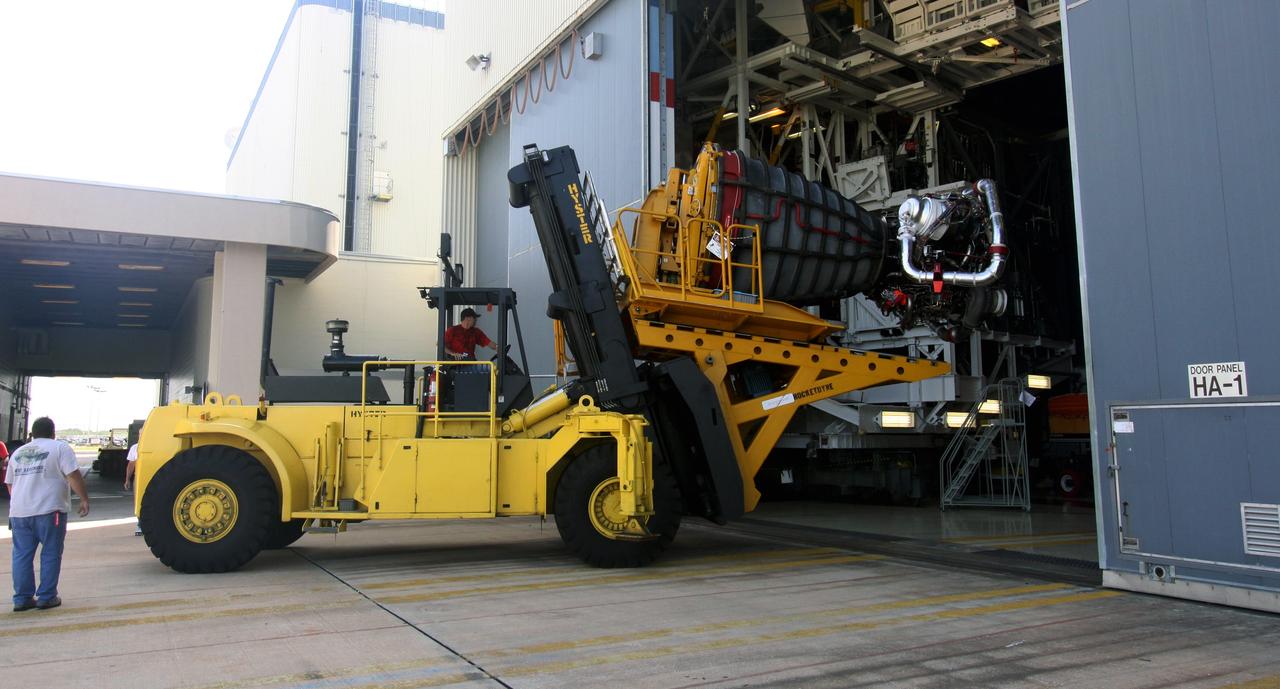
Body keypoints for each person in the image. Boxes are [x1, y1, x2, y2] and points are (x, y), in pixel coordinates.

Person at [6, 417, 90, 612]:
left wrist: (24, 501)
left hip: (19, 513)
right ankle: (46, 597)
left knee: (21, 555)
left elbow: (10, 484)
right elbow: (73, 475)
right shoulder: (60, 448)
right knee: (51, 553)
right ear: (53, 433)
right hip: (50, 511)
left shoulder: (17, 453)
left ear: (32, 434)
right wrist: (84, 498)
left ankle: (22, 599)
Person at [123, 442, 142, 535]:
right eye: (140, 434)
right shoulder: (135, 447)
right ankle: (140, 524)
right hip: (139, 478)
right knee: (138, 501)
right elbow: (131, 465)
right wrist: (127, 479)